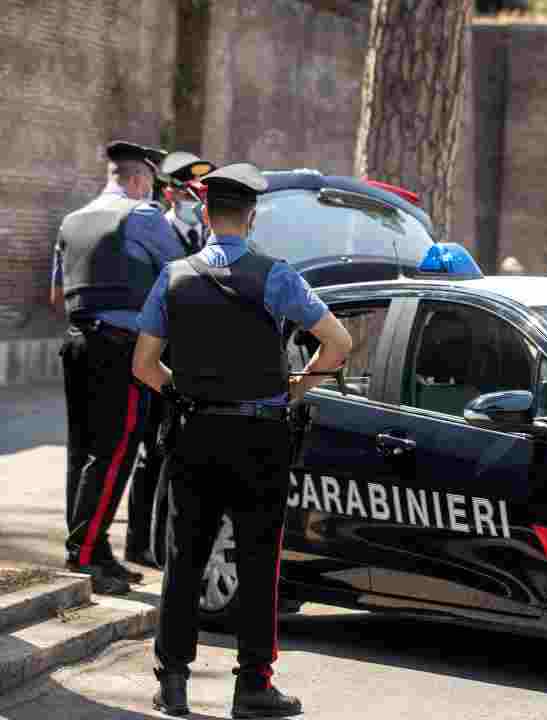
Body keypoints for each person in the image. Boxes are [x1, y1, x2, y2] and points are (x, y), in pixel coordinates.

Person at [133, 163, 352, 717]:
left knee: (185, 557)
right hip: (260, 436)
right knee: (259, 559)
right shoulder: (275, 276)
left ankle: (174, 682)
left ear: (205, 215)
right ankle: (253, 686)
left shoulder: (173, 276)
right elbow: (339, 342)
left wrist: (181, 391)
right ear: (251, 219)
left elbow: (142, 365)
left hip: (195, 432)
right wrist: (297, 389)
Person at [52, 140, 185, 595]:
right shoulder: (142, 215)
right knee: (114, 453)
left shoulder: (71, 221)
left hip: (76, 343)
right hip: (121, 349)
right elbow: (183, 271)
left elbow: (58, 295)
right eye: (151, 183)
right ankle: (86, 554)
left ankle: (90, 545)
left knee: (83, 452)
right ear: (139, 180)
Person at [123, 152, 220, 569]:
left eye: (201, 192)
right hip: (158, 359)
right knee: (150, 452)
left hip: (194, 362)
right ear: (169, 193)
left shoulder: (208, 236)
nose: (195, 199)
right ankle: (137, 541)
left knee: (181, 453)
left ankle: (170, 543)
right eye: (187, 191)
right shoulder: (154, 233)